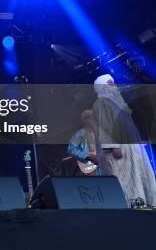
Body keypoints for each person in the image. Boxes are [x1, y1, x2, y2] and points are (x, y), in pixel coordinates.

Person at [93, 74, 156, 206]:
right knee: (124, 182)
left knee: (138, 178)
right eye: (110, 83)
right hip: (118, 151)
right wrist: (114, 146)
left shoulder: (116, 102)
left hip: (131, 149)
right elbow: (105, 125)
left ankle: (145, 206)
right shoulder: (102, 103)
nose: (115, 85)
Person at [67, 109, 100, 175]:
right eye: (90, 117)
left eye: (94, 117)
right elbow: (71, 150)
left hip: (101, 168)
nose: (93, 119)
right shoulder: (78, 135)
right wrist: (87, 156)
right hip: (88, 166)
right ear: (84, 120)